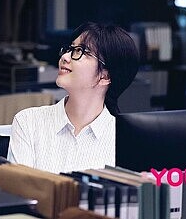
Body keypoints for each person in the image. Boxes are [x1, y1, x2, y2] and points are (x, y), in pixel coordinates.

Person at [8, 22, 139, 173]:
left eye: (80, 51)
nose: (65, 57)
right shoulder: (28, 122)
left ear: (105, 76)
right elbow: (18, 186)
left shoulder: (123, 139)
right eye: (70, 49)